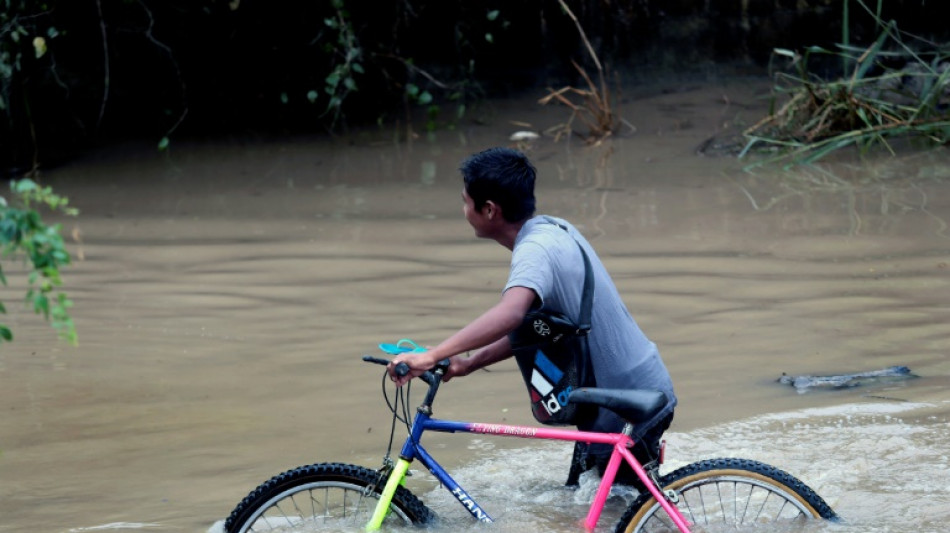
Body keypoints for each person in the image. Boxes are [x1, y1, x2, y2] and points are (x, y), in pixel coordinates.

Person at [388, 146, 676, 488]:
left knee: (629, 521)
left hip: (626, 404)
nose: (463, 210)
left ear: (489, 210)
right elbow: (533, 330)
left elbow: (510, 314)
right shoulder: (554, 229)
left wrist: (432, 355)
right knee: (583, 505)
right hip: (615, 397)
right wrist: (465, 364)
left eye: (466, 202)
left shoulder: (535, 251)